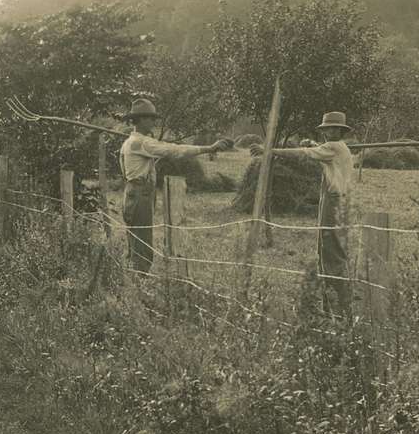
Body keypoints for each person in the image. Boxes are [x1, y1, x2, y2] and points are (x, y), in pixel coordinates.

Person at [251, 111, 355, 312]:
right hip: (337, 200)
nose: (327, 133)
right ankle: (333, 302)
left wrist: (270, 151)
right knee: (328, 249)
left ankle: (337, 305)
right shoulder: (338, 148)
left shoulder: (333, 147)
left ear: (339, 131)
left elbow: (303, 154)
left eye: (331, 129)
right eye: (325, 129)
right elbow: (316, 150)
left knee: (330, 251)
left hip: (334, 201)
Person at [120, 98, 232, 273]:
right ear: (140, 119)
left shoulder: (129, 142)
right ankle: (139, 281)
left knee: (135, 238)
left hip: (132, 191)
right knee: (142, 241)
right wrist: (209, 148)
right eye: (150, 118)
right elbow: (174, 151)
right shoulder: (141, 142)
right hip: (140, 193)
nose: (154, 122)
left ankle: (134, 276)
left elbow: (125, 166)